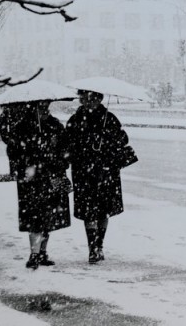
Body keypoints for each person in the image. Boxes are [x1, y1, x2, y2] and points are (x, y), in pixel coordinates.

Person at [64, 90, 130, 264]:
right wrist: (83, 147)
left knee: (103, 210)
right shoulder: (76, 119)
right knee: (89, 211)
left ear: (100, 99)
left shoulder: (110, 118)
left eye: (92, 98)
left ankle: (99, 245)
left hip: (105, 170)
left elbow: (122, 139)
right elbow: (67, 144)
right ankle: (93, 248)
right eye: (85, 99)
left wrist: (105, 140)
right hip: (84, 171)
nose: (88, 102)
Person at [8, 100, 71, 270]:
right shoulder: (23, 127)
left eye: (46, 105)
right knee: (35, 216)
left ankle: (42, 252)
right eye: (40, 105)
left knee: (48, 216)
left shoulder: (55, 125)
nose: (44, 108)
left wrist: (57, 159)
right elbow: (13, 150)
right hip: (32, 178)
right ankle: (34, 253)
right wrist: (31, 157)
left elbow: (66, 149)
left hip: (51, 176)